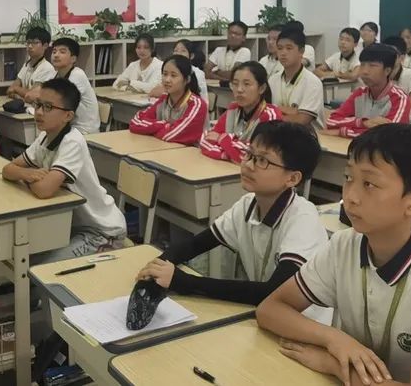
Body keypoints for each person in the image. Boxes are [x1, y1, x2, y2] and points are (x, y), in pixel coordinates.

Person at [257, 124, 411, 386]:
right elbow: (270, 309)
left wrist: (335, 365)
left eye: (369, 184)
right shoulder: (344, 245)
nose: (350, 197)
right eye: (348, 177)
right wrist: (334, 339)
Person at [136, 121, 331, 320]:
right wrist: (158, 266)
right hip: (267, 316)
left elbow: (273, 291)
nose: (248, 165)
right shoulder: (247, 205)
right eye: (249, 154)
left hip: (305, 323)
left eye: (262, 161)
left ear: (292, 178)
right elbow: (196, 244)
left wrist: (184, 282)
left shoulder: (303, 220)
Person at [2, 79, 126, 262]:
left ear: (68, 116)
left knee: (41, 270)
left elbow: (44, 190)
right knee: (22, 255)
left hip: (101, 231)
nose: (39, 112)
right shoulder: (44, 138)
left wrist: (29, 178)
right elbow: (8, 169)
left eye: (48, 107)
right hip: (68, 225)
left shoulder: (72, 142)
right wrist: (28, 174)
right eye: (38, 104)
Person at [200, 61, 281, 164]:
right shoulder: (233, 109)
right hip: (229, 168)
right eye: (235, 84)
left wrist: (222, 139)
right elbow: (206, 139)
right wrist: (228, 154)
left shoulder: (270, 115)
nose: (239, 89)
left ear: (261, 88)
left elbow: (254, 157)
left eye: (246, 84)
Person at [324, 44, 411, 138]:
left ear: (387, 71)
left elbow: (389, 135)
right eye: (362, 65)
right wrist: (363, 123)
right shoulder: (359, 93)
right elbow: (331, 121)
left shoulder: (399, 98)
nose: (364, 71)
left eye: (372, 66)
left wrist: (342, 132)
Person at [128, 55, 208, 145]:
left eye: (173, 75)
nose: (167, 80)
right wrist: (164, 124)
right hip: (164, 149)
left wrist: (151, 129)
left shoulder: (196, 104)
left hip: (190, 152)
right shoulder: (164, 99)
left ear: (187, 79)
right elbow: (135, 122)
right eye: (165, 74)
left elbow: (171, 135)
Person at [268, 25, 324, 127]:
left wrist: (275, 111)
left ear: (301, 51)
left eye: (289, 48)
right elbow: (264, 110)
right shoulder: (272, 80)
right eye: (280, 48)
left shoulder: (312, 82)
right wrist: (292, 111)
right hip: (278, 132)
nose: (283, 53)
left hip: (307, 135)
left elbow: (302, 120)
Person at [50, 37, 100, 135]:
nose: (56, 55)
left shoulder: (77, 75)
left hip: (84, 130)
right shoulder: (54, 74)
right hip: (68, 125)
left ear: (73, 58)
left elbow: (62, 102)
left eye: (62, 52)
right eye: (54, 52)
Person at [8, 27, 56, 102]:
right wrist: (18, 94)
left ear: (45, 46)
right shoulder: (27, 64)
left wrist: (16, 89)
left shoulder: (47, 68)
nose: (30, 46)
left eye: (35, 43)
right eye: (28, 42)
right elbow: (10, 89)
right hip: (24, 106)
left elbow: (31, 96)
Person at [383, 36, 411, 114]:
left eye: (391, 55)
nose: (386, 58)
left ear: (402, 58)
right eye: (383, 54)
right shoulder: (379, 75)